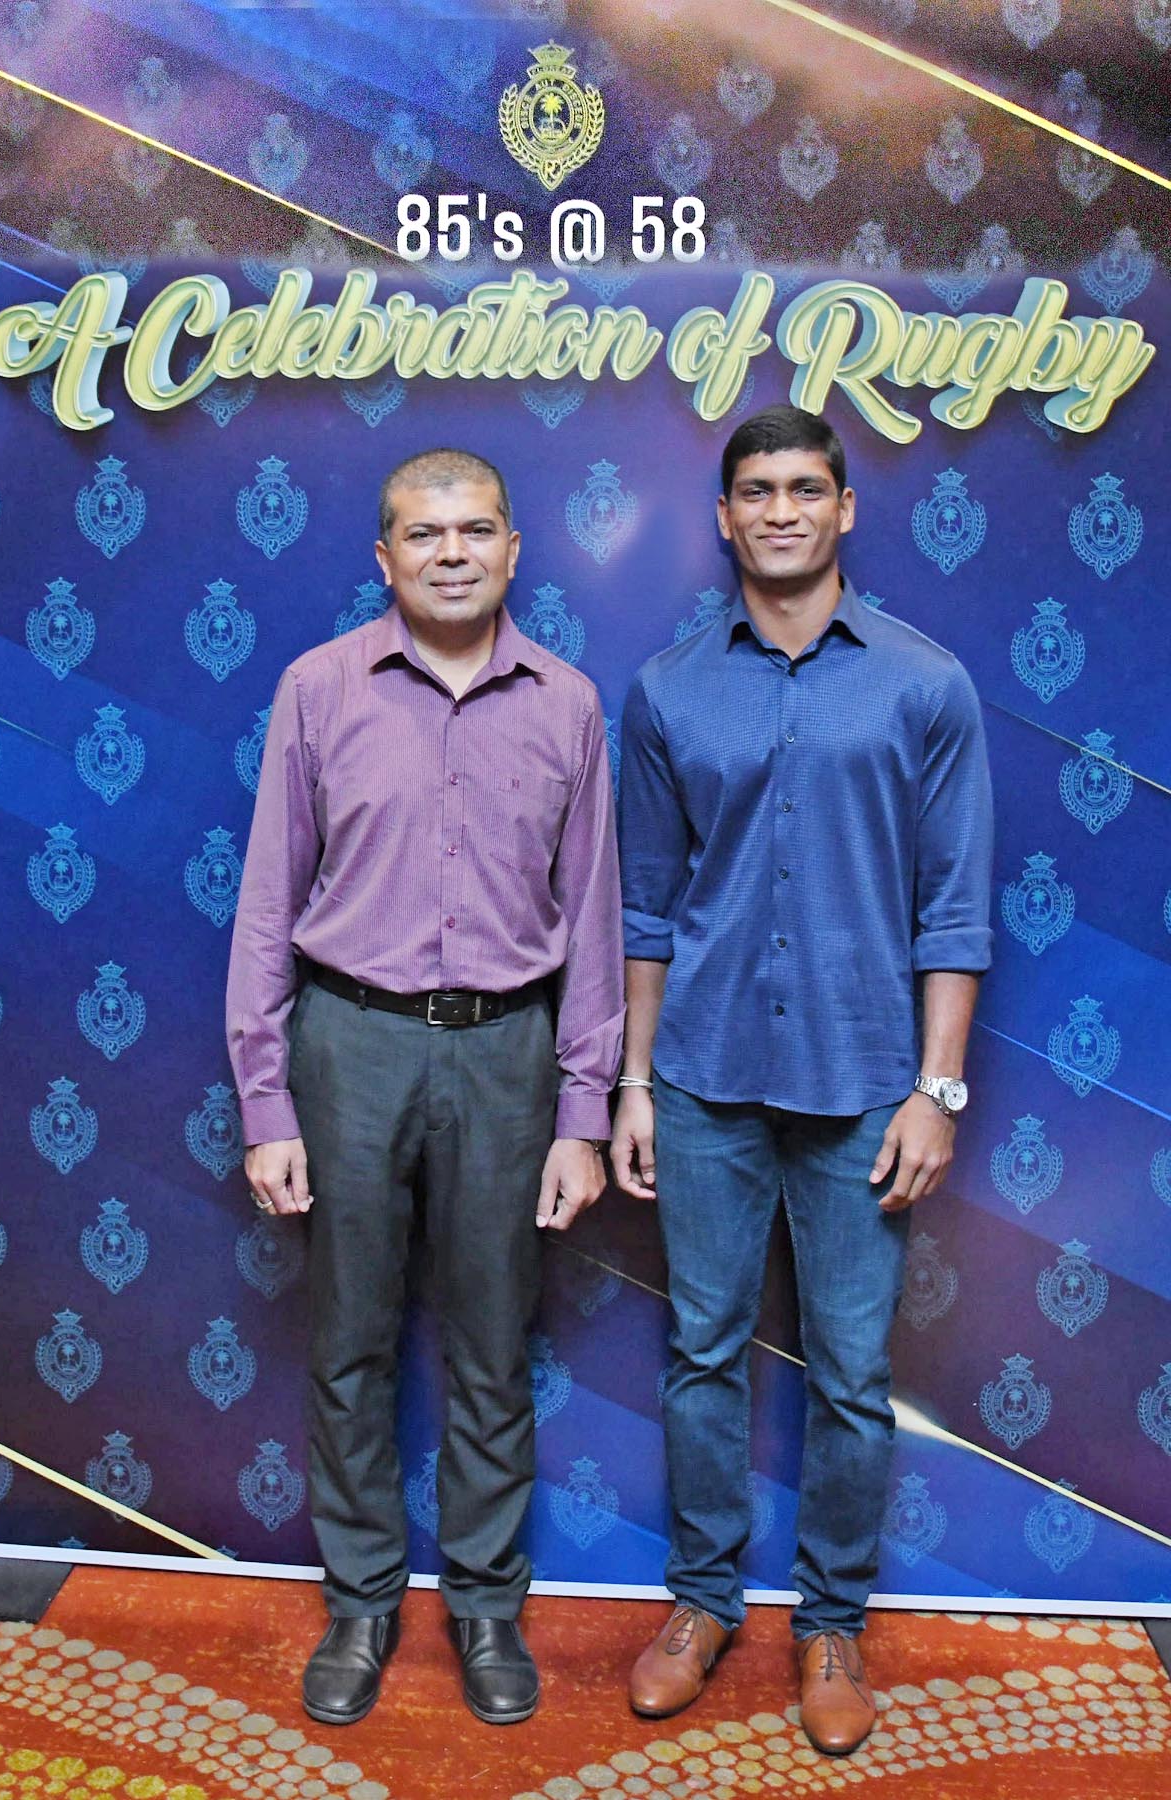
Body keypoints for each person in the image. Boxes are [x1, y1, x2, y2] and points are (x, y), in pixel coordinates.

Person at [612, 405, 992, 1756]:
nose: (782, 511)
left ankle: (831, 1624)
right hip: (704, 1081)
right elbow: (644, 906)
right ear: (724, 518)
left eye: (806, 489)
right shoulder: (667, 690)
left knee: (849, 1373)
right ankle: (702, 1604)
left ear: (844, 510)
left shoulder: (925, 685)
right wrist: (633, 1083)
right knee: (702, 1353)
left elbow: (956, 909)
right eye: (757, 491)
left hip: (864, 1087)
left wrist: (937, 1091)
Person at [226, 447, 623, 1728]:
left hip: (508, 1054)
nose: (453, 553)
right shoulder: (317, 688)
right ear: (383, 557)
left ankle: (488, 1608)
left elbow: (595, 921)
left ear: (515, 549)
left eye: (477, 530)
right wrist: (267, 1104)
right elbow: (267, 907)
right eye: (425, 533)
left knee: (493, 1348)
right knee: (349, 1342)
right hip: (351, 1048)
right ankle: (360, 1603)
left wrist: (584, 1112)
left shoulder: (569, 705)